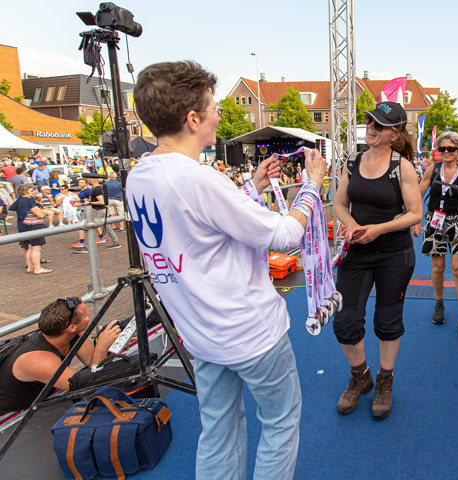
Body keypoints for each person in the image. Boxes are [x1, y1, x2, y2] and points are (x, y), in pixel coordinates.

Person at [128, 60, 326, 480]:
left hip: (200, 333)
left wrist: (252, 187)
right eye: (213, 107)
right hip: (249, 330)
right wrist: (312, 185)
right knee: (280, 422)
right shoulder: (198, 178)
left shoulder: (139, 176)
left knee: (218, 431)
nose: (218, 115)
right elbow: (286, 234)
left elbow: (201, 225)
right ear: (192, 119)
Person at [332, 101, 422, 419]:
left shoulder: (402, 167)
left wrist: (378, 229)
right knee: (344, 321)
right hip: (357, 252)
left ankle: (385, 380)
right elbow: (338, 203)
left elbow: (415, 213)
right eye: (369, 121)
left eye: (379, 125)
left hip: (394, 254)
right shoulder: (353, 161)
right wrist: (351, 224)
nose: (370, 127)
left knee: (387, 321)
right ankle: (360, 376)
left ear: (394, 134)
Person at [0, 298, 122, 415]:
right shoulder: (38, 361)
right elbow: (88, 384)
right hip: (11, 412)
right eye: (86, 315)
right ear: (71, 327)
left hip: (43, 395)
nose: (89, 314)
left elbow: (96, 366)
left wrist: (112, 346)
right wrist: (101, 346)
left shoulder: (70, 334)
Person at [415, 131, 458, 335]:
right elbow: (417, 194)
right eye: (442, 148)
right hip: (434, 222)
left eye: (451, 148)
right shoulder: (433, 170)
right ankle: (439, 303)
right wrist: (413, 218)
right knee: (438, 267)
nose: (446, 152)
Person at [8, 185, 52, 274]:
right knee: (36, 247)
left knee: (29, 247)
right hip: (33, 225)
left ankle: (30, 266)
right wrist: (43, 212)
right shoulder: (29, 201)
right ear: (25, 192)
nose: (34, 191)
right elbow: (40, 214)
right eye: (32, 190)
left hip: (24, 225)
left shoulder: (20, 200)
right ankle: (37, 268)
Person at [87, 176, 121, 249]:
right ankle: (115, 241)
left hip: (100, 210)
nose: (88, 180)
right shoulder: (99, 188)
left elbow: (101, 202)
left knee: (92, 226)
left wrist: (89, 203)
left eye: (89, 179)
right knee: (105, 226)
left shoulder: (96, 189)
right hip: (101, 210)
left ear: (93, 180)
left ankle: (90, 243)